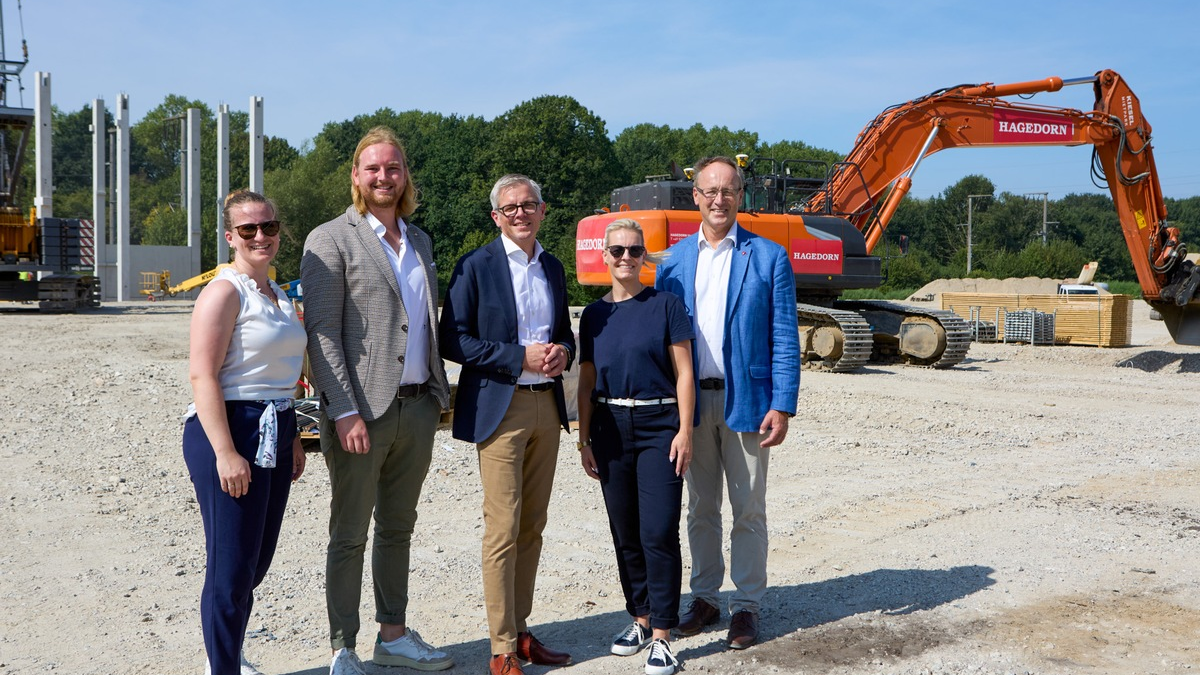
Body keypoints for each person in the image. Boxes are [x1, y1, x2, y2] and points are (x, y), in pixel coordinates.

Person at [301, 127, 453, 674]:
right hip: (361, 413)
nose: (384, 177)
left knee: (398, 527)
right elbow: (321, 333)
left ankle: (393, 636)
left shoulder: (420, 241)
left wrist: (436, 395)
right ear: (357, 177)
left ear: (404, 174)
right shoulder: (330, 238)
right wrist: (343, 410)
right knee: (349, 533)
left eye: (393, 167)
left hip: (416, 409)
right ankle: (343, 647)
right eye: (374, 169)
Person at [655, 156, 800, 650]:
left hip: (750, 403)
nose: (719, 199)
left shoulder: (768, 257)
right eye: (710, 191)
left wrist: (782, 404)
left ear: (741, 196)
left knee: (748, 510)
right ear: (694, 196)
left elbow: (784, 336)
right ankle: (706, 597)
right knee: (699, 508)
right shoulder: (672, 263)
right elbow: (662, 340)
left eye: (729, 190)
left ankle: (747, 606)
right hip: (692, 407)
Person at [439, 174, 576, 675]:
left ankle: (521, 633)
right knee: (504, 528)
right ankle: (500, 649)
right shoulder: (475, 266)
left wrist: (564, 351)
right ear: (496, 216)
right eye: (510, 207)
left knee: (533, 527)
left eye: (529, 205)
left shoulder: (553, 267)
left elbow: (563, 333)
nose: (521, 214)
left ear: (542, 211)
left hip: (547, 406)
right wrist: (520, 356)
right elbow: (453, 341)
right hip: (502, 407)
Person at [183, 189, 308, 675]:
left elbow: (282, 376)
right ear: (231, 236)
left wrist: (294, 433)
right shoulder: (224, 290)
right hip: (231, 429)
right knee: (231, 569)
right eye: (249, 229)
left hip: (276, 426)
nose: (262, 236)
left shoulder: (276, 294)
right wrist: (225, 452)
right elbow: (203, 375)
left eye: (269, 227)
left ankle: (229, 654)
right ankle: (224, 669)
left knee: (255, 562)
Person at [576, 218, 695, 675]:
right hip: (608, 427)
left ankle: (663, 636)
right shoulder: (593, 315)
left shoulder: (667, 305)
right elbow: (586, 380)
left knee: (658, 532)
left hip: (659, 426)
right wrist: (585, 439)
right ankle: (640, 618)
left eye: (634, 250)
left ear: (645, 257)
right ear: (604, 256)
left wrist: (686, 430)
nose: (626, 257)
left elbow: (685, 372)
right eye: (617, 251)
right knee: (625, 533)